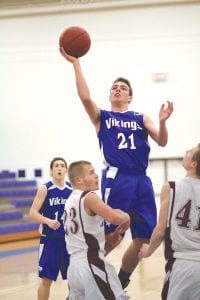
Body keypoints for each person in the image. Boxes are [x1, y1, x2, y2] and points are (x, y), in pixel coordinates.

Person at [59, 48, 173, 288]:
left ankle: (121, 280)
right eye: (114, 87)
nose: (118, 89)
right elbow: (85, 98)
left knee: (144, 236)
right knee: (109, 235)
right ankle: (83, 277)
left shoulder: (141, 118)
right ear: (110, 96)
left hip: (141, 179)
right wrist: (76, 64)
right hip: (117, 177)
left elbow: (162, 141)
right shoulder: (103, 116)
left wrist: (162, 123)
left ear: (130, 97)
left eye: (123, 88)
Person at [139, 143, 200, 300]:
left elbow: (160, 230)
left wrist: (148, 251)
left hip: (182, 264)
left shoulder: (172, 187)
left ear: (194, 164)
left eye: (190, 151)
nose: (186, 151)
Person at [63, 160, 130, 299]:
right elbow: (114, 217)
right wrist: (127, 216)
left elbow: (83, 240)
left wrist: (107, 241)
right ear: (79, 180)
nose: (97, 176)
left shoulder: (69, 202)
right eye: (91, 172)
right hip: (92, 265)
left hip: (74, 269)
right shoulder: (89, 196)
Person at [29, 157, 72, 300]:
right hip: (50, 241)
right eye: (56, 166)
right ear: (51, 170)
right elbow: (33, 212)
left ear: (66, 170)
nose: (59, 168)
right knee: (47, 280)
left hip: (68, 241)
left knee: (74, 279)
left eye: (62, 166)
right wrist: (47, 221)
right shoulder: (45, 188)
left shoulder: (71, 190)